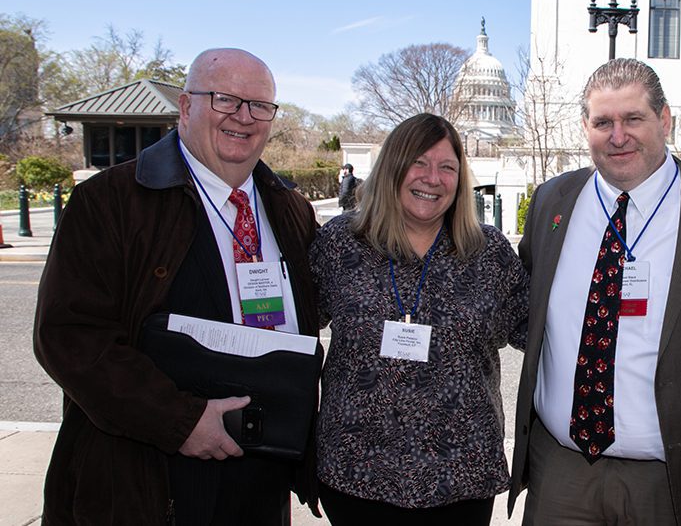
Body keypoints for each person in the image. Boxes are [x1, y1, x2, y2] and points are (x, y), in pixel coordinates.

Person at [34, 48, 322, 524]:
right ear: (186, 107)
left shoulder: (288, 209)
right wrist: (180, 422)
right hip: (148, 474)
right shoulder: (111, 201)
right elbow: (70, 338)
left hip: (263, 472)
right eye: (226, 100)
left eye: (260, 106)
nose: (244, 118)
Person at [507, 58, 681, 525]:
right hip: (561, 470)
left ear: (664, 120)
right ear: (585, 126)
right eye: (603, 122)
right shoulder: (551, 201)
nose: (618, 136)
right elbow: (519, 304)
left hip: (668, 479)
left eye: (633, 119)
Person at [309, 113, 529, 523]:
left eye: (447, 167)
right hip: (357, 473)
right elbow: (296, 323)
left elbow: (535, 330)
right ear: (393, 166)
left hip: (461, 475)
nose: (433, 178)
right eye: (419, 163)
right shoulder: (339, 244)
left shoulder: (489, 254)